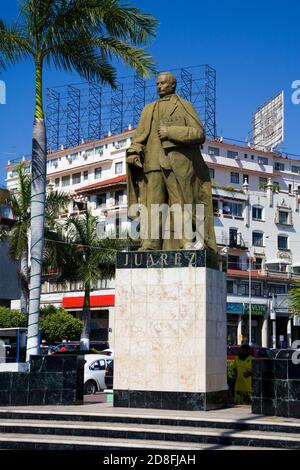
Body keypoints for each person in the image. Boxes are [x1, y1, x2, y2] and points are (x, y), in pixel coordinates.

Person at [126, 71, 217, 255]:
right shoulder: (148, 109)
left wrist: (171, 132)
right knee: (153, 205)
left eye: (163, 83)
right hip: (152, 165)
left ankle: (186, 242)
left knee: (180, 204)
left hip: (176, 165)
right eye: (158, 83)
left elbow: (199, 133)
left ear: (173, 85)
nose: (159, 86)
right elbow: (139, 137)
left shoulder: (184, 106)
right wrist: (134, 152)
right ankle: (150, 244)